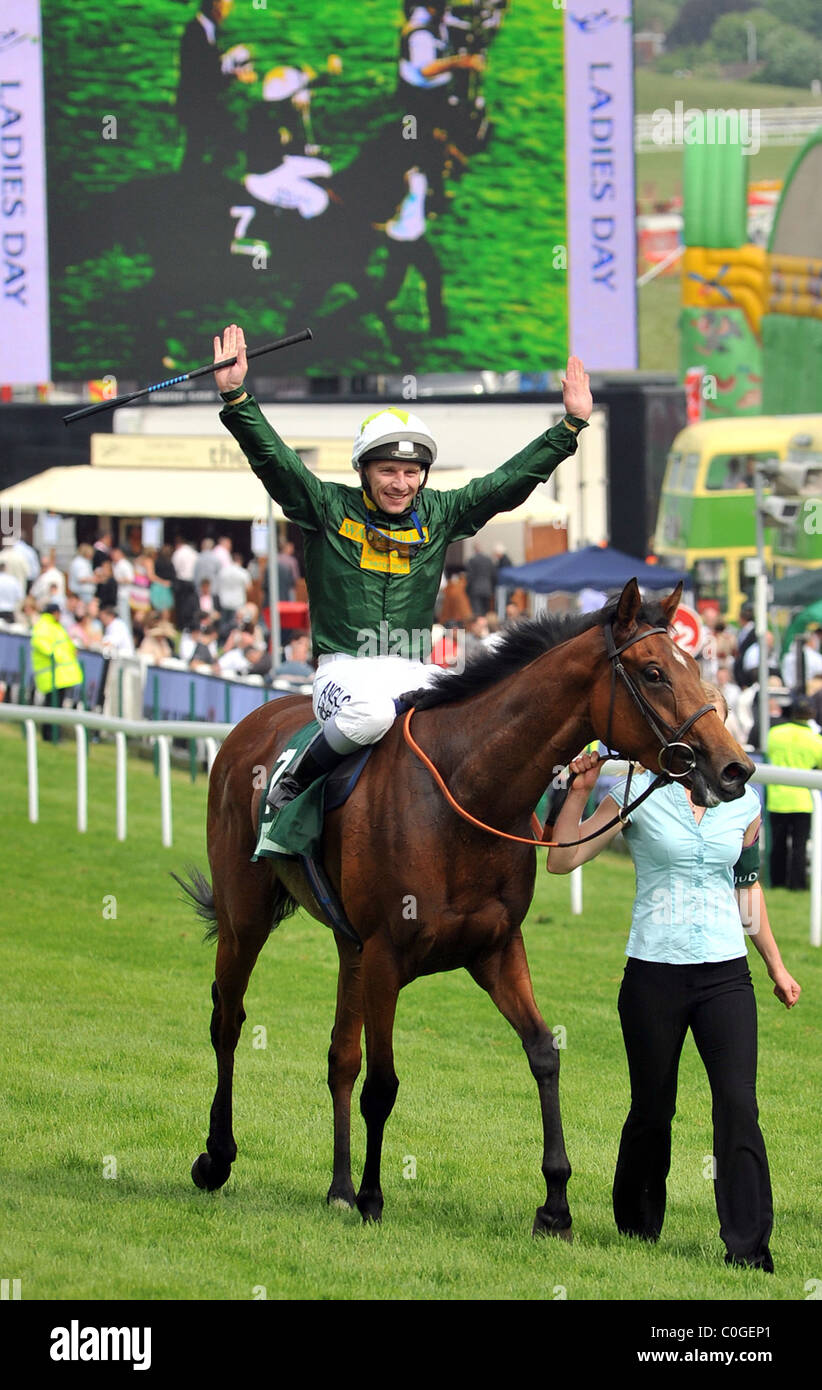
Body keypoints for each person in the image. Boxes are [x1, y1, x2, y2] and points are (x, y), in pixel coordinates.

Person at [214, 322, 592, 811]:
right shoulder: (325, 507)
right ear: (363, 471)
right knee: (371, 715)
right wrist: (237, 398)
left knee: (481, 721)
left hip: (415, 672)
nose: (400, 483)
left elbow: (505, 484)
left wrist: (569, 428)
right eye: (388, 470)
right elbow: (276, 462)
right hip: (342, 676)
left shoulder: (440, 514)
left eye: (411, 472)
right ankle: (290, 785)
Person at [546, 684, 801, 1273]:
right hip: (653, 975)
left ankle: (748, 1245)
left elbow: (746, 890)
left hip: (724, 977)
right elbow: (562, 859)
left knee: (738, 1104)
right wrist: (578, 793)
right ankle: (637, 1227)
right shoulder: (635, 790)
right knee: (653, 1107)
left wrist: (776, 967)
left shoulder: (746, 804)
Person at [766, 695, 822, 890]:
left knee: (778, 843)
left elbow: (769, 755)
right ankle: (797, 884)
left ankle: (776, 880)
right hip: (803, 800)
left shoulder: (775, 732)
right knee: (799, 845)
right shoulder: (815, 740)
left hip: (777, 797)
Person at [30, 602, 84, 741]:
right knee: (52, 706)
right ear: (54, 613)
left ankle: (53, 735)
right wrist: (56, 656)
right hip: (52, 673)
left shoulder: (56, 626)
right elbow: (40, 643)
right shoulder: (45, 625)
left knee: (57, 706)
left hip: (61, 675)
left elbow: (65, 644)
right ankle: (49, 735)